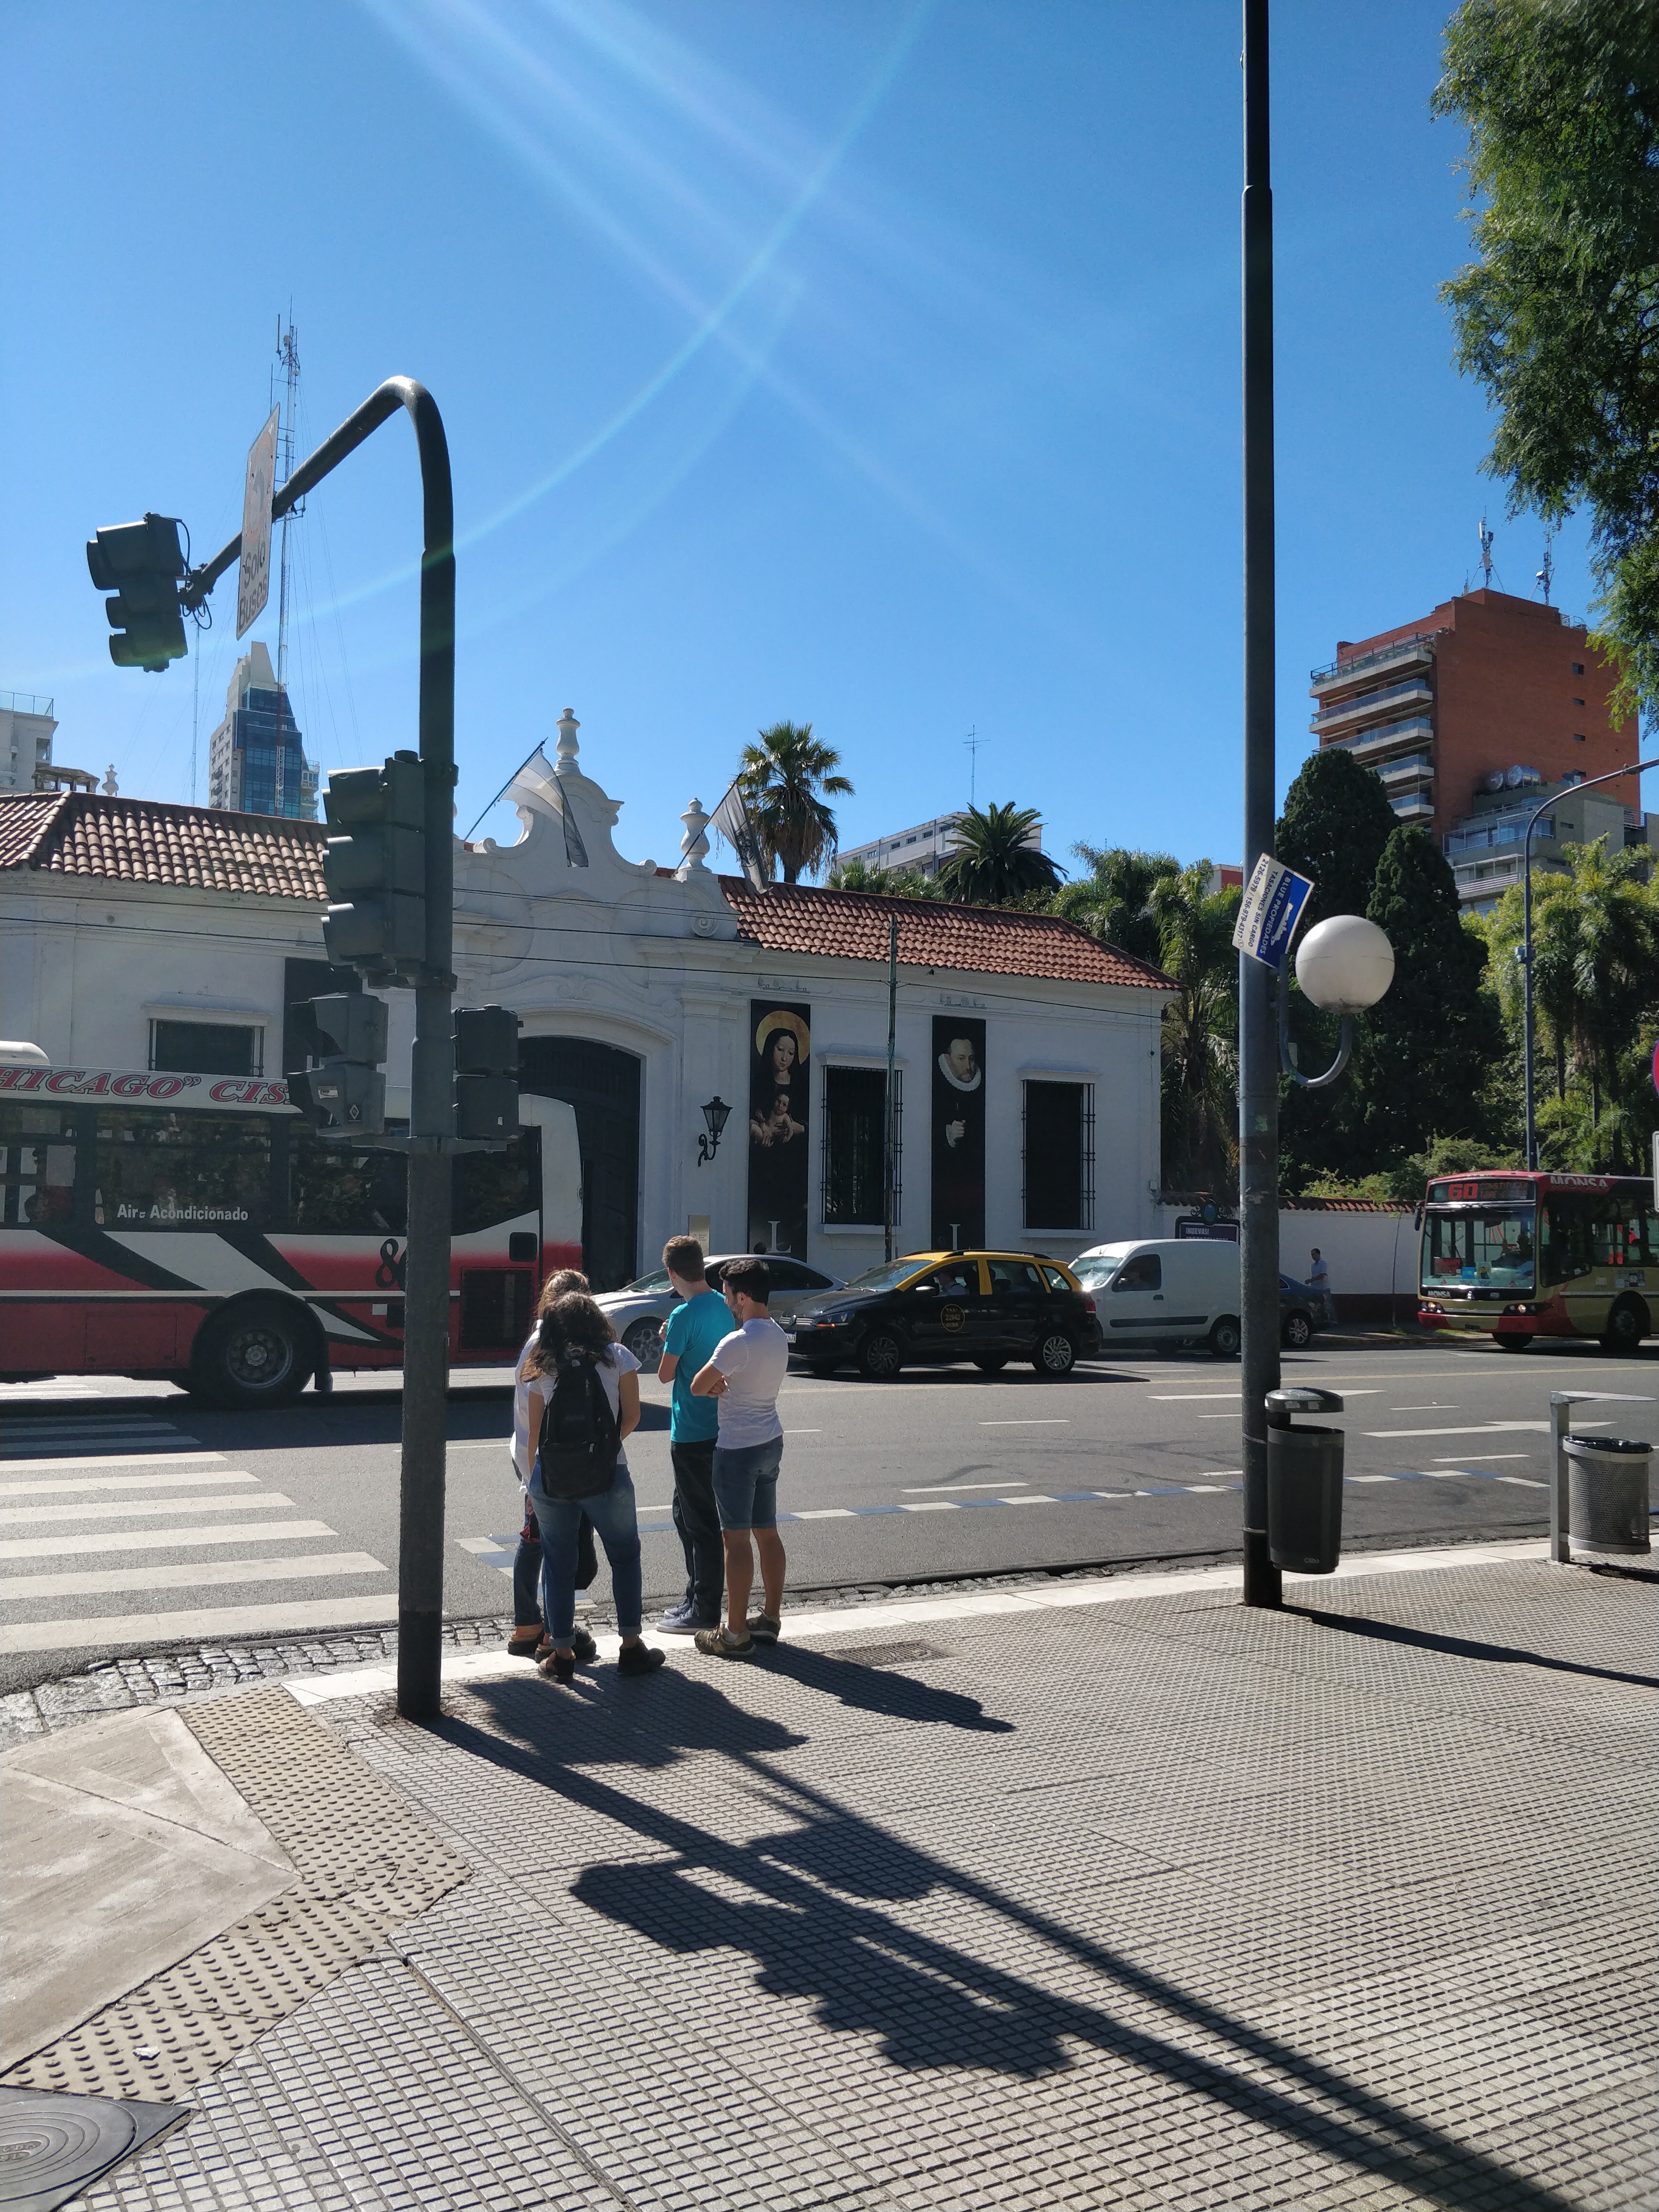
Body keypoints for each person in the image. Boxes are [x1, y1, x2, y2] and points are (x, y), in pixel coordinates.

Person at [524, 1290, 664, 1683]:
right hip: (609, 1473)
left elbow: (535, 1432)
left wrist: (534, 1483)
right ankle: (631, 1646)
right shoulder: (617, 1356)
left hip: (551, 1477)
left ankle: (563, 1653)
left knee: (558, 1561)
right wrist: (602, 1451)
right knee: (624, 1555)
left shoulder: (543, 1363)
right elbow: (633, 1416)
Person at [689, 1256, 789, 1659]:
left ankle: (734, 1633)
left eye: (729, 1293)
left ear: (743, 1296)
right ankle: (770, 1618)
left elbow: (698, 1385)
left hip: (737, 1449)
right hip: (770, 1440)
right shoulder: (778, 1335)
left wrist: (716, 1386)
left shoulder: (739, 1341)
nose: (726, 1299)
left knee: (735, 1539)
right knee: (767, 1531)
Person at [507, 1269, 595, 1660]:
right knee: (551, 1544)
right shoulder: (547, 1346)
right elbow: (534, 1417)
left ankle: (532, 1624)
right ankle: (545, 1630)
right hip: (547, 1462)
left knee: (541, 1541)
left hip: (538, 1459)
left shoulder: (542, 1342)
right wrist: (532, 1480)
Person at [654, 1237, 733, 1634]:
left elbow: (666, 1373)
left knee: (698, 1521)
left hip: (690, 1430)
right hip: (720, 1427)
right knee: (685, 1514)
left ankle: (704, 1608)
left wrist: (671, 1338)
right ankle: (694, 1595)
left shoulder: (684, 1315)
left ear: (671, 1273)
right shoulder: (723, 1305)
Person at [1309, 1248, 1335, 1327]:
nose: (1312, 1257)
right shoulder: (1313, 1266)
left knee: (1328, 1305)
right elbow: (1314, 1275)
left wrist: (1311, 1280)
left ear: (1318, 1254)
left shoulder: (1324, 1264)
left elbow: (1322, 1275)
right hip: (1316, 1289)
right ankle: (1323, 1320)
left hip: (1324, 1288)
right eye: (1312, 1255)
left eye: (1314, 1254)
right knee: (1318, 1305)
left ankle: (1333, 1321)